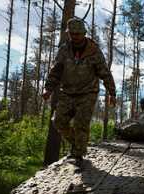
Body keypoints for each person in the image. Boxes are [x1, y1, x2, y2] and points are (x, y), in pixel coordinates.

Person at [42, 18, 116, 166]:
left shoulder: (93, 51)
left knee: (81, 124)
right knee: (58, 122)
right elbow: (56, 71)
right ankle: (78, 144)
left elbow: (105, 73)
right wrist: (48, 89)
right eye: (72, 34)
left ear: (84, 33)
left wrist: (112, 93)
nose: (75, 37)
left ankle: (78, 155)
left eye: (78, 34)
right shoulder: (64, 49)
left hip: (88, 92)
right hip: (67, 92)